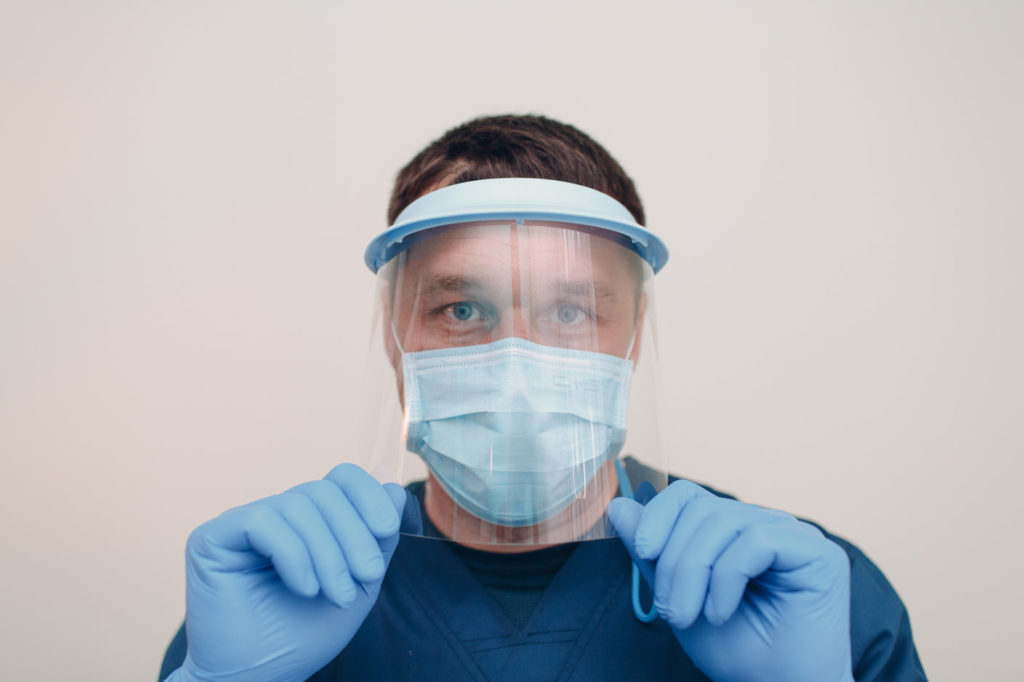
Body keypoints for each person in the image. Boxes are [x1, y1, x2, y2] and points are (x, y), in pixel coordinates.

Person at [160, 115, 926, 681]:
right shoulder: (276, 594)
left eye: (570, 313)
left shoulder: (799, 593)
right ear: (395, 339)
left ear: (634, 336)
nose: (517, 363)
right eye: (461, 310)